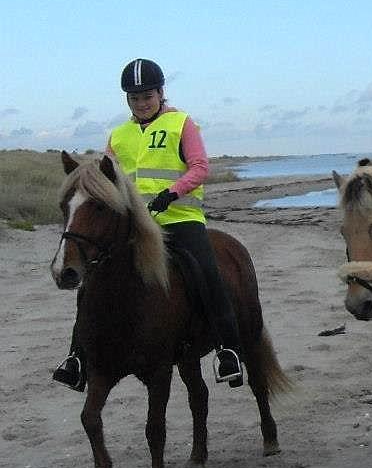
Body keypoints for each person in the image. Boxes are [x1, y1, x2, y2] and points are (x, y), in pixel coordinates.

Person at [52, 58, 245, 391]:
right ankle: (76, 357)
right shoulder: (119, 135)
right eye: (135, 97)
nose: (142, 103)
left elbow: (200, 167)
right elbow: (106, 178)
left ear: (160, 93)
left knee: (207, 272)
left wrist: (170, 194)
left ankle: (228, 350)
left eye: (147, 96)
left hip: (180, 218)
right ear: (128, 99)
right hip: (135, 225)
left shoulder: (182, 124)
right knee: (93, 278)